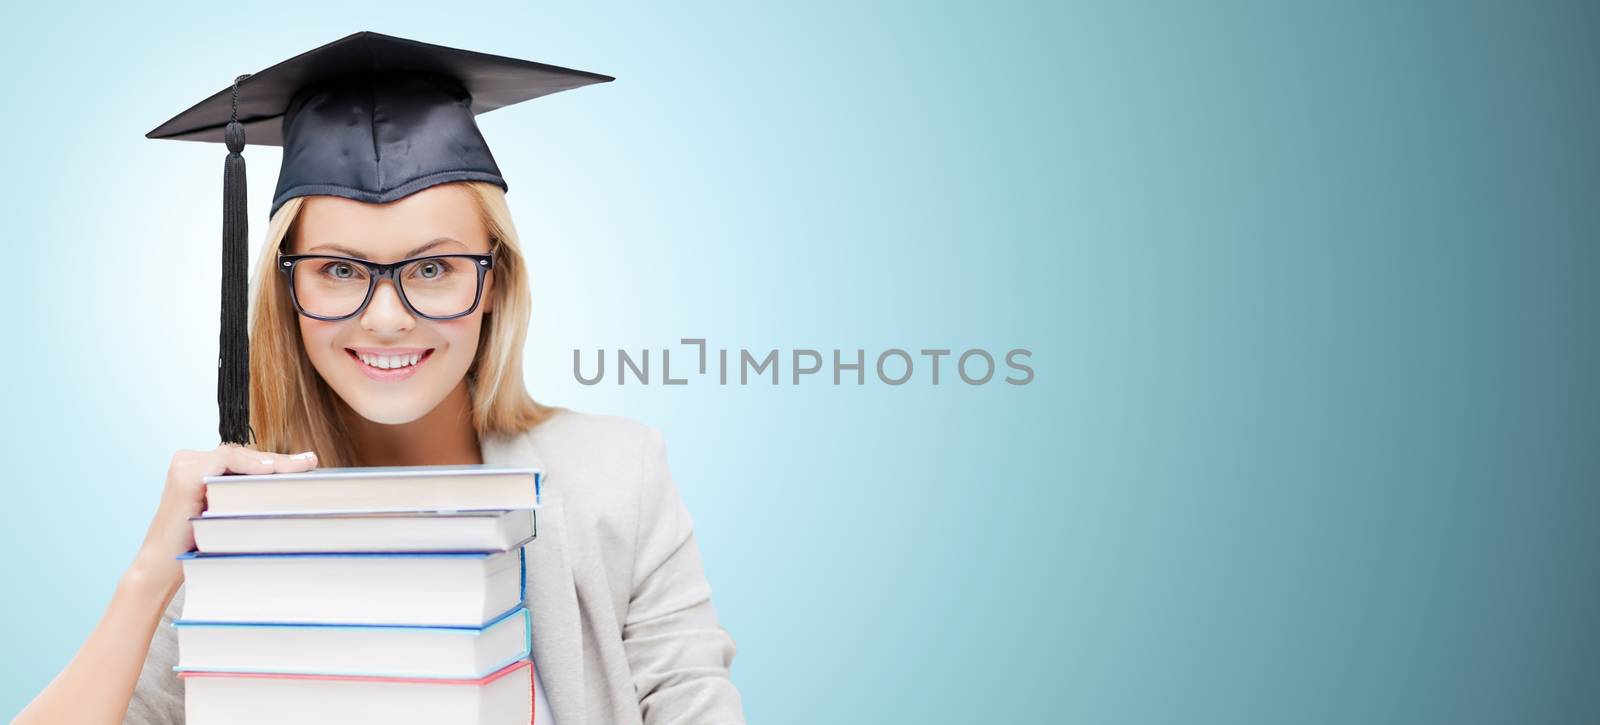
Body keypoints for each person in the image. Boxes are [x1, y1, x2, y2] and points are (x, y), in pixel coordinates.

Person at [13, 32, 745, 725]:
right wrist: (149, 576)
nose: (388, 318)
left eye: (433, 268)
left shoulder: (619, 479)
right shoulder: (238, 525)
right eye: (338, 269)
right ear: (283, 289)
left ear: (495, 281)